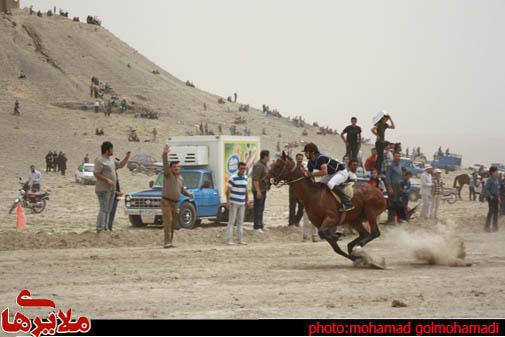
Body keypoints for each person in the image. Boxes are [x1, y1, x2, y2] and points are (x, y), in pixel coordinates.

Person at [303, 143, 353, 212]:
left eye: (306, 152)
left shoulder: (320, 158)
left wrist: (311, 174)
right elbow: (310, 175)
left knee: (331, 184)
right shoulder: (310, 162)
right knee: (320, 184)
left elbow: (324, 172)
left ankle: (348, 203)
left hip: (341, 172)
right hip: (331, 174)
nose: (305, 154)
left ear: (312, 152)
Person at [93, 142, 130, 233]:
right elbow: (96, 173)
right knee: (103, 208)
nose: (113, 151)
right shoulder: (100, 160)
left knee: (108, 209)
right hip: (103, 189)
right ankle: (100, 227)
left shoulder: (111, 159)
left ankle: (106, 227)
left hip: (111, 189)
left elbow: (120, 165)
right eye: (111, 149)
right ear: (107, 150)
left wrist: (127, 157)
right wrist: (107, 180)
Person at [161, 144, 193, 247]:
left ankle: (171, 241)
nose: (176, 168)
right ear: (170, 168)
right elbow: (165, 164)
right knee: (168, 221)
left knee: (174, 223)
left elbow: (182, 190)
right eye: (174, 167)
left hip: (175, 203)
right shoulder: (168, 174)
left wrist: (189, 194)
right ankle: (167, 242)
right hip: (166, 201)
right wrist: (165, 154)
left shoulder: (180, 178)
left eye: (177, 167)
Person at [226, 162, 250, 245]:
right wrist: (228, 201)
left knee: (240, 222)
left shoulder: (246, 178)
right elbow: (228, 190)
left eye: (244, 168)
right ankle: (229, 240)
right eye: (241, 168)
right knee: (231, 222)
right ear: (238, 169)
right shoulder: (233, 178)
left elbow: (245, 190)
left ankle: (240, 239)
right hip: (234, 202)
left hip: (242, 203)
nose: (243, 170)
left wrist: (247, 200)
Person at [252, 150, 271, 232]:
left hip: (263, 190)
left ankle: (261, 224)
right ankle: (256, 226)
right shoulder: (258, 166)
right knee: (258, 208)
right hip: (258, 191)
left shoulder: (265, 165)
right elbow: (255, 180)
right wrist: (258, 191)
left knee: (261, 208)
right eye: (268, 156)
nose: (269, 157)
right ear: (265, 156)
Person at [385, 152, 405, 224]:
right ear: (393, 157)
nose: (397, 157)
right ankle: (390, 220)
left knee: (398, 203)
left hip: (398, 186)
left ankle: (399, 219)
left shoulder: (400, 165)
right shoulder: (390, 166)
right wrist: (390, 188)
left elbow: (400, 177)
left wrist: (401, 187)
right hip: (392, 186)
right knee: (392, 203)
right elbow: (387, 178)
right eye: (395, 156)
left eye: (398, 156)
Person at [288, 154, 305, 226]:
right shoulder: (292, 168)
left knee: (302, 207)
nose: (300, 160)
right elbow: (288, 179)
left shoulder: (304, 167)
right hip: (293, 190)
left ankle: (297, 221)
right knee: (292, 207)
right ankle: (291, 223)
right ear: (296, 159)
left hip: (302, 191)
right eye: (298, 159)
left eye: (301, 159)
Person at [107, 162, 124, 231]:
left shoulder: (114, 173)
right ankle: (108, 228)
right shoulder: (111, 174)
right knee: (110, 214)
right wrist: (117, 193)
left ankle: (109, 228)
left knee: (111, 214)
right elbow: (108, 186)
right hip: (112, 196)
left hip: (115, 196)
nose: (118, 166)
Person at [484, 167, 500, 232]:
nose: (497, 173)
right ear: (492, 172)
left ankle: (495, 227)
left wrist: (498, 197)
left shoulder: (496, 179)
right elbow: (486, 189)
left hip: (496, 197)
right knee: (491, 212)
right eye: (496, 171)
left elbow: (497, 189)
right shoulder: (489, 180)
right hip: (491, 198)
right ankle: (486, 227)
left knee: (496, 212)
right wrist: (490, 196)